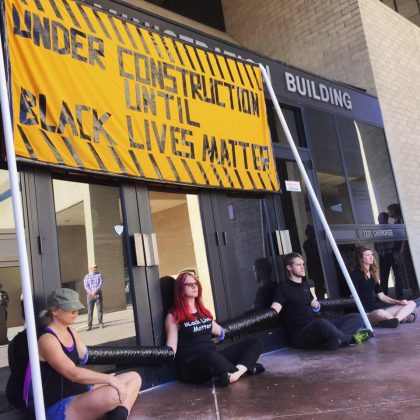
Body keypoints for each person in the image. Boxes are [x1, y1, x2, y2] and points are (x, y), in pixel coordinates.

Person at [37, 288, 141, 420]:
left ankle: (119, 415)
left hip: (81, 391)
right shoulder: (47, 340)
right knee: (114, 393)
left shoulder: (71, 332)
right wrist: (110, 379)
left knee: (134, 377)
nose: (75, 312)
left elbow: (84, 356)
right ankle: (118, 409)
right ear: (54, 310)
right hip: (61, 404)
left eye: (76, 307)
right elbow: (72, 373)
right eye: (69, 308)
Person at [165, 272, 264, 386]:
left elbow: (220, 331)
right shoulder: (174, 315)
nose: (194, 286)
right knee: (211, 357)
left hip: (213, 357)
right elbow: (171, 349)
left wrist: (218, 338)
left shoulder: (202, 312)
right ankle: (246, 368)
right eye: (189, 284)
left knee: (255, 341)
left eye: (196, 283)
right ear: (180, 289)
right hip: (192, 365)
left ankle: (236, 374)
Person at [271, 252, 373, 350]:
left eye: (303, 264)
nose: (303, 267)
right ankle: (351, 339)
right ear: (289, 268)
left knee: (356, 317)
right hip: (300, 335)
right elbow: (275, 308)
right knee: (322, 324)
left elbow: (312, 303)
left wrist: (318, 306)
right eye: (298, 265)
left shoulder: (305, 285)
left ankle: (335, 341)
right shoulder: (283, 288)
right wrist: (270, 313)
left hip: (315, 326)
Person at [351, 246, 416, 328]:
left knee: (411, 303)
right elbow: (354, 297)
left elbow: (382, 296)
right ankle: (401, 318)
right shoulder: (355, 275)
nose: (371, 257)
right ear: (360, 258)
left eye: (372, 254)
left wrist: (399, 302)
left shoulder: (372, 275)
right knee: (380, 313)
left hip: (378, 310)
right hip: (367, 314)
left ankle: (396, 320)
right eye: (367, 255)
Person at [302, 225, 326, 299]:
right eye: (309, 233)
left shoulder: (318, 241)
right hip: (315, 267)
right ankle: (320, 298)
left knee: (322, 284)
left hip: (320, 265)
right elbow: (311, 257)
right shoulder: (307, 243)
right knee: (318, 285)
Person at [374, 212, 395, 295]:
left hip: (391, 254)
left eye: (380, 218)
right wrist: (379, 253)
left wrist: (390, 250)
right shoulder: (377, 229)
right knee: (383, 276)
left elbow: (394, 241)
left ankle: (399, 294)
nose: (379, 220)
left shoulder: (391, 228)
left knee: (397, 274)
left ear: (386, 219)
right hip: (382, 256)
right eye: (378, 218)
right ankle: (384, 294)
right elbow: (375, 243)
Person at [83, 264, 104, 330]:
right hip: (90, 295)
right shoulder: (87, 277)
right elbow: (86, 286)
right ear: (90, 269)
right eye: (94, 267)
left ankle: (100, 323)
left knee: (99, 309)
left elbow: (101, 284)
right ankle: (89, 325)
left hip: (98, 294)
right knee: (90, 311)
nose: (95, 268)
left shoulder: (99, 275)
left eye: (96, 267)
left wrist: (95, 291)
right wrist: (91, 292)